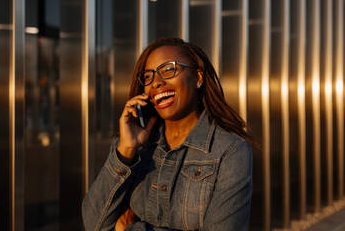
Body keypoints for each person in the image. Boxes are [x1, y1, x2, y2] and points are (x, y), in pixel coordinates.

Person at [82, 37, 253, 231]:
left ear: (198, 78)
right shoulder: (133, 147)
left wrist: (132, 228)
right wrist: (126, 150)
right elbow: (93, 224)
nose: (156, 82)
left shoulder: (229, 150)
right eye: (148, 76)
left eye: (169, 69)